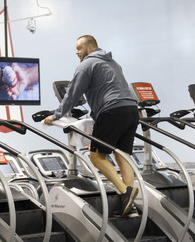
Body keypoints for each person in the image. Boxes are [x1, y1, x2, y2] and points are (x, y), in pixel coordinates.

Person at [43, 35, 139, 218]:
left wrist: (55, 116)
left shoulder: (86, 65)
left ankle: (125, 191)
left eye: (79, 49)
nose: (77, 53)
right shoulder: (113, 63)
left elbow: (72, 94)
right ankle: (130, 207)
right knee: (122, 156)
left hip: (112, 111)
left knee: (96, 156)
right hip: (131, 110)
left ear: (89, 47)